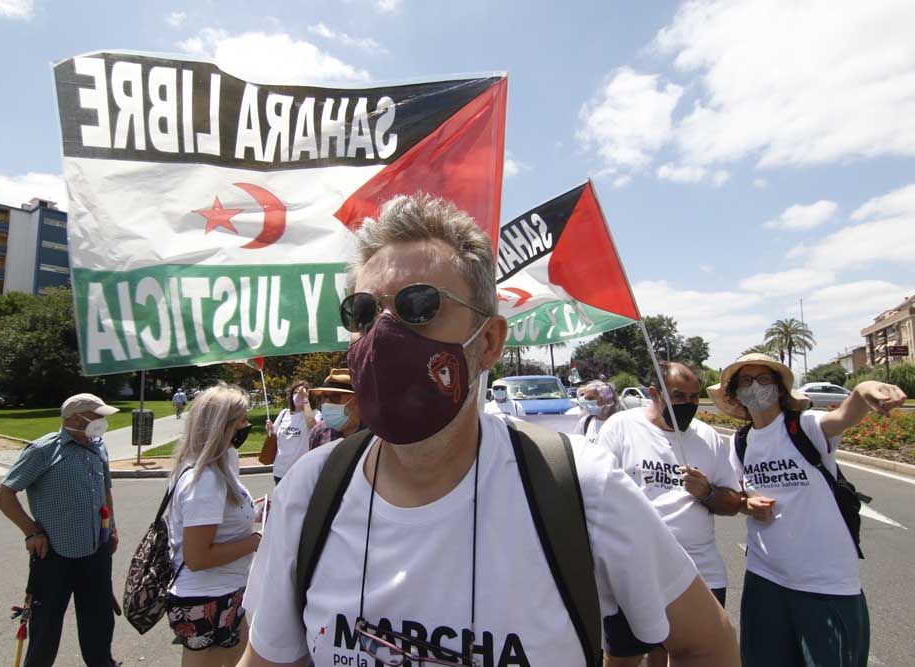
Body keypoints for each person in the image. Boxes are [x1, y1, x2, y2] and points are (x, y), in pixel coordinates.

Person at [240, 194, 737, 667]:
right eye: (364, 312)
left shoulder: (580, 488)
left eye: (420, 305)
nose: (384, 333)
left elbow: (706, 644)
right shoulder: (311, 491)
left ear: (489, 342)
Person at [708, 353, 907, 667]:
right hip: (765, 580)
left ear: (779, 389)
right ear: (735, 393)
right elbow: (736, 495)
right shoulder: (741, 443)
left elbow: (842, 416)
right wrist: (747, 505)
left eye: (764, 380)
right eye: (746, 381)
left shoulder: (806, 427)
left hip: (825, 582)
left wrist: (864, 389)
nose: (755, 387)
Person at [597, 362, 742, 667]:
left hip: (699, 571)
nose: (687, 405)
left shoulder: (708, 438)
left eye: (693, 398)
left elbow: (734, 502)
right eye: (678, 396)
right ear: (654, 393)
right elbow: (597, 491)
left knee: (692, 652)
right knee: (623, 656)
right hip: (635, 569)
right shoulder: (621, 427)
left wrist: (708, 493)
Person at [0, 393, 121, 667]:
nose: (103, 422)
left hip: (95, 551)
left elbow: (105, 489)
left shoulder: (99, 446)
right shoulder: (43, 450)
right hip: (54, 554)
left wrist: (112, 528)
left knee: (99, 620)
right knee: (46, 626)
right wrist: (31, 531)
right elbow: (3, 494)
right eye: (98, 416)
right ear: (77, 418)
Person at [166, 383, 262, 666]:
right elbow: (197, 557)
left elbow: (216, 520)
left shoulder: (213, 467)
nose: (247, 426)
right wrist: (256, 541)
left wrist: (252, 510)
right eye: (242, 421)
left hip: (222, 593)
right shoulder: (206, 480)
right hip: (207, 597)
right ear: (223, 425)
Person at [266, 381, 321, 485]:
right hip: (280, 471)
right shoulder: (284, 413)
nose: (297, 395)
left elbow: (313, 427)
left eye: (301, 393)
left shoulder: (315, 414)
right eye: (295, 392)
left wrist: (305, 400)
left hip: (301, 472)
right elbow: (273, 433)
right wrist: (270, 429)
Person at [308, 368, 362, 449]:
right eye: (323, 397)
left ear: (355, 400)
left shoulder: (373, 434)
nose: (326, 403)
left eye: (334, 396)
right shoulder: (318, 432)